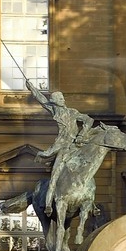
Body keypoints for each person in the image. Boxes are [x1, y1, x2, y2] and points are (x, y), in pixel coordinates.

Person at [32, 85, 93, 214]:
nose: (63, 99)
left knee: (88, 168)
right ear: (54, 101)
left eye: (62, 97)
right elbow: (41, 99)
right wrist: (31, 87)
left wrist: (82, 134)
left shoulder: (72, 112)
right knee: (55, 175)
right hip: (62, 146)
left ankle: (90, 201)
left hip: (75, 145)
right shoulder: (54, 110)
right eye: (59, 98)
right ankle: (48, 203)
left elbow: (89, 120)